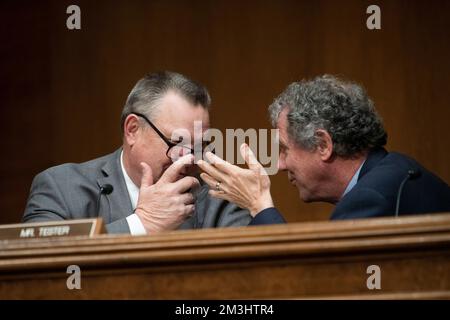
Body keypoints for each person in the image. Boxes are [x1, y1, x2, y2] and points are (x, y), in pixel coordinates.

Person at [198, 75, 450, 224]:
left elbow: (308, 283)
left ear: (323, 145)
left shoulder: (371, 199)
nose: (281, 164)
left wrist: (259, 206)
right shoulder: (390, 172)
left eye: (284, 149)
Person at [23, 71, 251, 234]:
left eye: (199, 146)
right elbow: (38, 264)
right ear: (132, 130)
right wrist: (141, 224)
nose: (190, 158)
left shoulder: (219, 197)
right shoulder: (62, 188)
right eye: (177, 142)